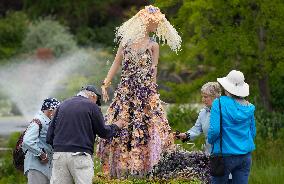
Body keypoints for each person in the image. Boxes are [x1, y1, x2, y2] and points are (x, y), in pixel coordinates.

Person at [96, 5, 182, 178]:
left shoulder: (153, 45)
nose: (156, 27)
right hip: (126, 92)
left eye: (157, 24)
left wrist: (153, 93)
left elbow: (153, 70)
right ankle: (121, 168)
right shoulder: (126, 42)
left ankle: (147, 167)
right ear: (145, 22)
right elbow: (116, 63)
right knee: (123, 123)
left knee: (146, 125)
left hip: (144, 92)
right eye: (154, 23)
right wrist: (106, 82)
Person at [46, 85, 126, 184]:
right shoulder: (92, 106)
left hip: (59, 155)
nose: (96, 103)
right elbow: (104, 132)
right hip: (80, 155)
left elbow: (49, 136)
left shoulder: (62, 105)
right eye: (96, 100)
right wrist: (116, 126)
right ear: (93, 96)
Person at [208, 70, 256, 184]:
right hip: (245, 156)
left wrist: (210, 141)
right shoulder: (249, 107)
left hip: (224, 156)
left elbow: (214, 131)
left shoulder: (219, 103)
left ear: (227, 87)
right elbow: (252, 132)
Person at [175, 82, 221, 154]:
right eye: (202, 97)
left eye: (205, 97)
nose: (203, 100)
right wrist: (185, 135)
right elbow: (196, 129)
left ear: (215, 97)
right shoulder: (203, 112)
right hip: (210, 154)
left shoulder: (224, 112)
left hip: (225, 155)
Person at [22, 98, 60, 184]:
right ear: (50, 110)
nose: (58, 114)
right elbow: (27, 141)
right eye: (57, 111)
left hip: (44, 167)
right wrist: (41, 155)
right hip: (36, 166)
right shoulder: (38, 121)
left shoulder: (47, 121)